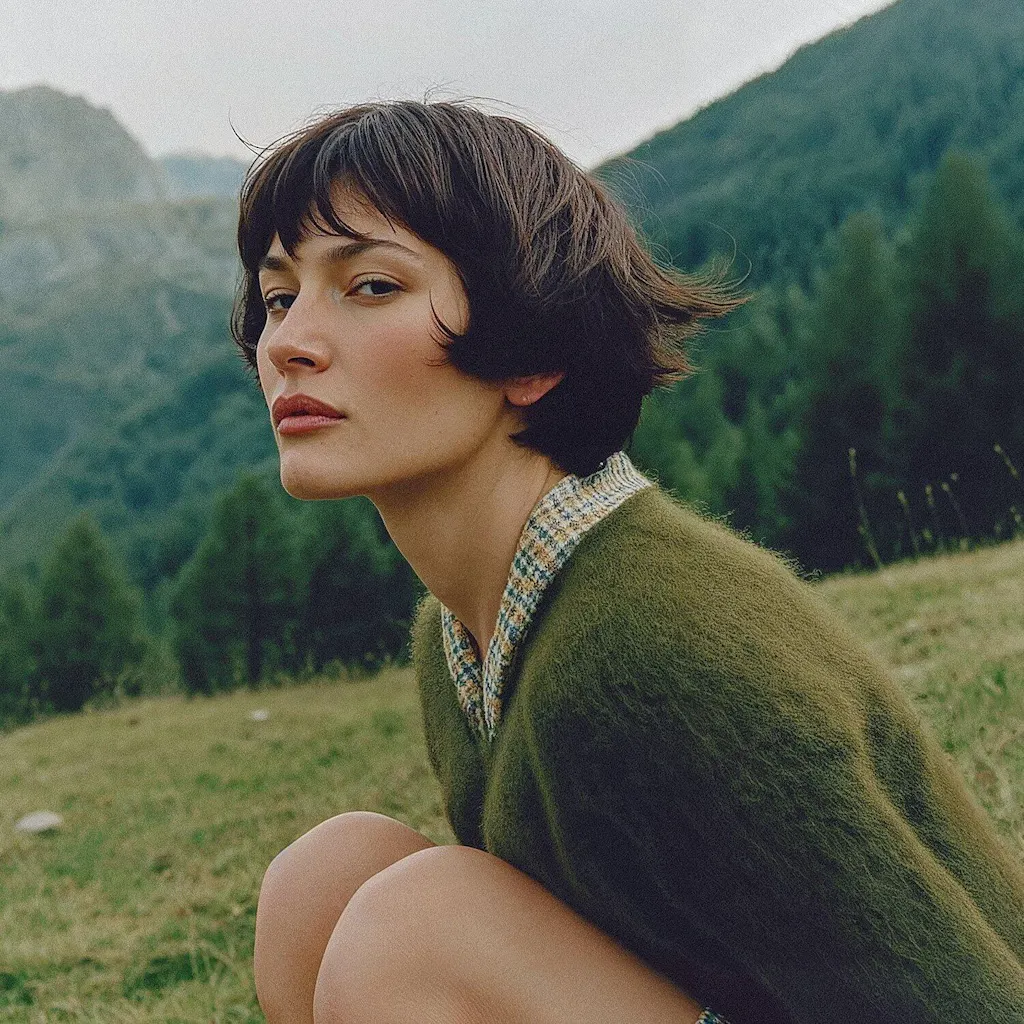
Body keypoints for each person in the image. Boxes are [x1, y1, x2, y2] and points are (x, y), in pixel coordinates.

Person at [233, 100, 1024, 1024]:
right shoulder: (462, 639)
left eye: (370, 286)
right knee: (325, 882)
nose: (287, 344)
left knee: (415, 932)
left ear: (532, 352)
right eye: (279, 297)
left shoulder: (654, 651)